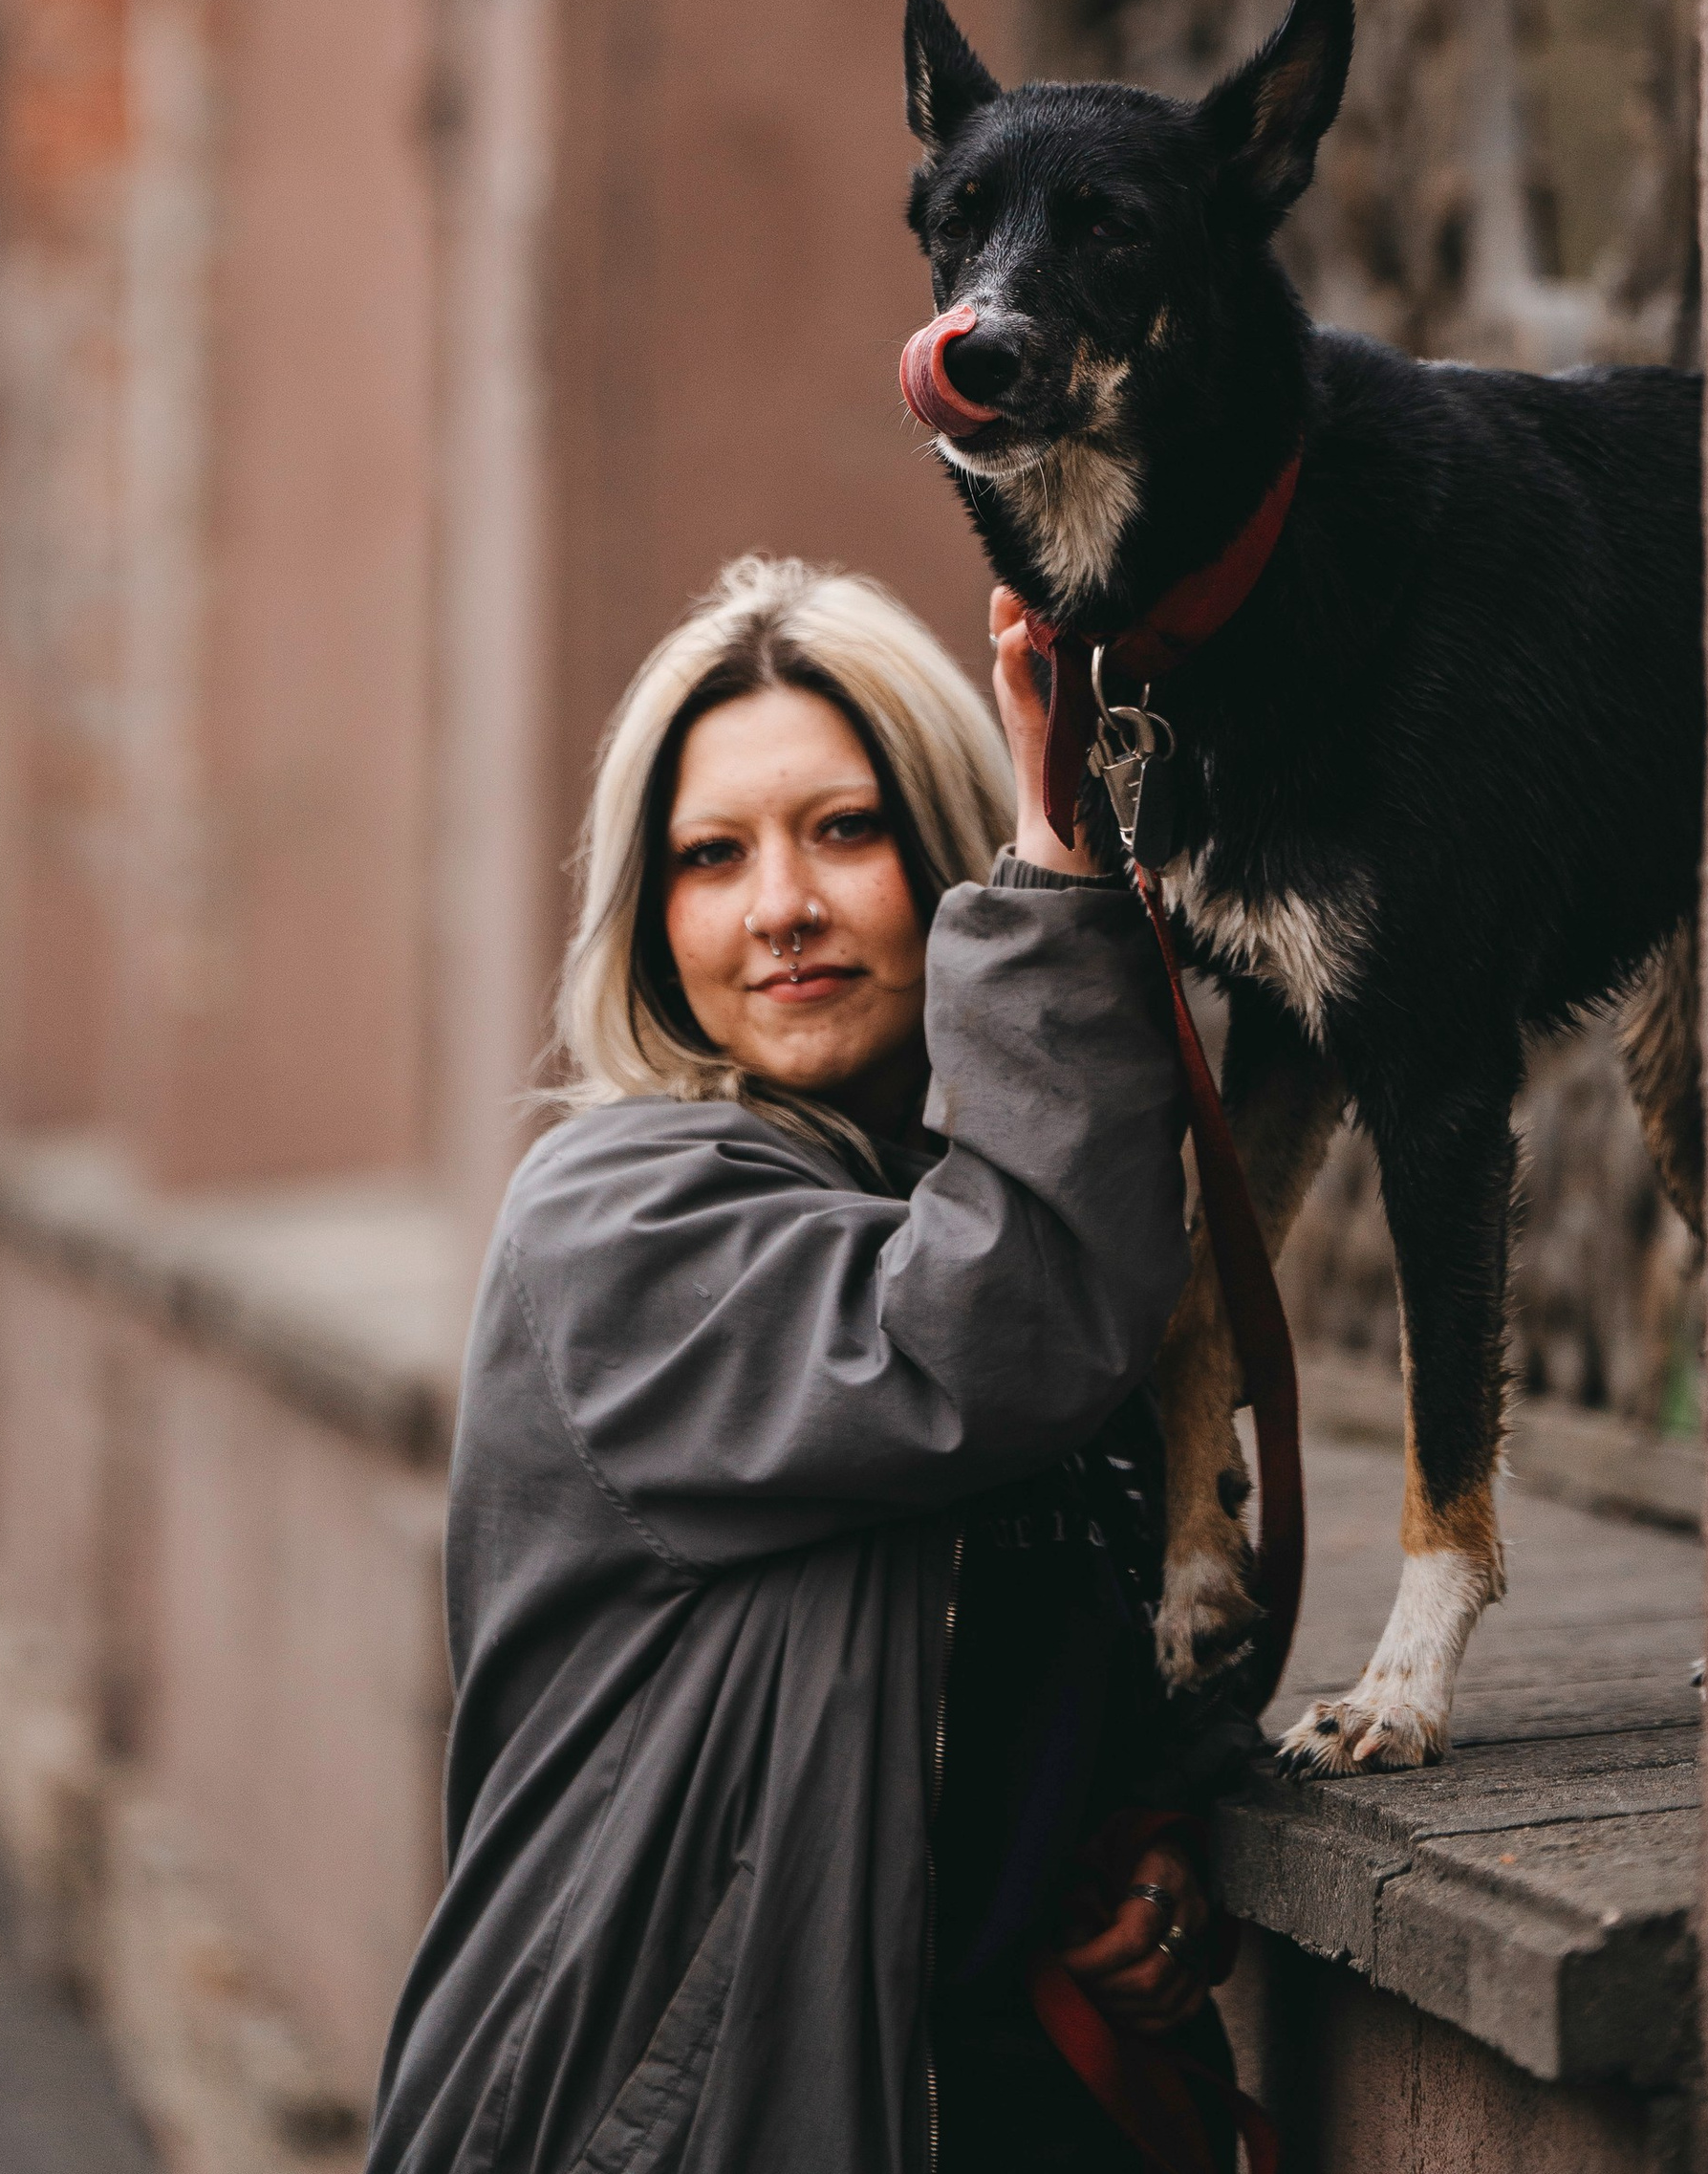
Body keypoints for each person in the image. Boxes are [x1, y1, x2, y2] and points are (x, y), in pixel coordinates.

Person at [363, 554, 1258, 2174]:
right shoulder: (617, 1225)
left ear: (940, 851)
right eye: (711, 856)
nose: (779, 904)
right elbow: (997, 1337)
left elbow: (1073, 1621)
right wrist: (1060, 881)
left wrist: (1147, 1852)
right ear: (653, 921)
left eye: (843, 829)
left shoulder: (993, 1196)